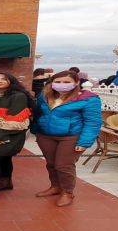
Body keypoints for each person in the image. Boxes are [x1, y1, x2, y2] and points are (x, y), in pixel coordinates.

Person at [32, 70, 102, 207]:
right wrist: (36, 129)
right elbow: (38, 113)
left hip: (70, 136)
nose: (61, 85)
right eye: (57, 82)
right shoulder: (45, 95)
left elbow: (92, 122)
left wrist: (84, 142)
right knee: (51, 163)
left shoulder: (88, 99)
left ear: (76, 83)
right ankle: (55, 186)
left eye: (66, 82)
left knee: (63, 165)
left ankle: (67, 192)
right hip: (46, 135)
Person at [0, 73, 33, 197]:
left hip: (9, 134)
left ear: (11, 81)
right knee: (5, 158)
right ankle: (6, 182)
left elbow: (15, 121)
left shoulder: (18, 96)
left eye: (3, 79)